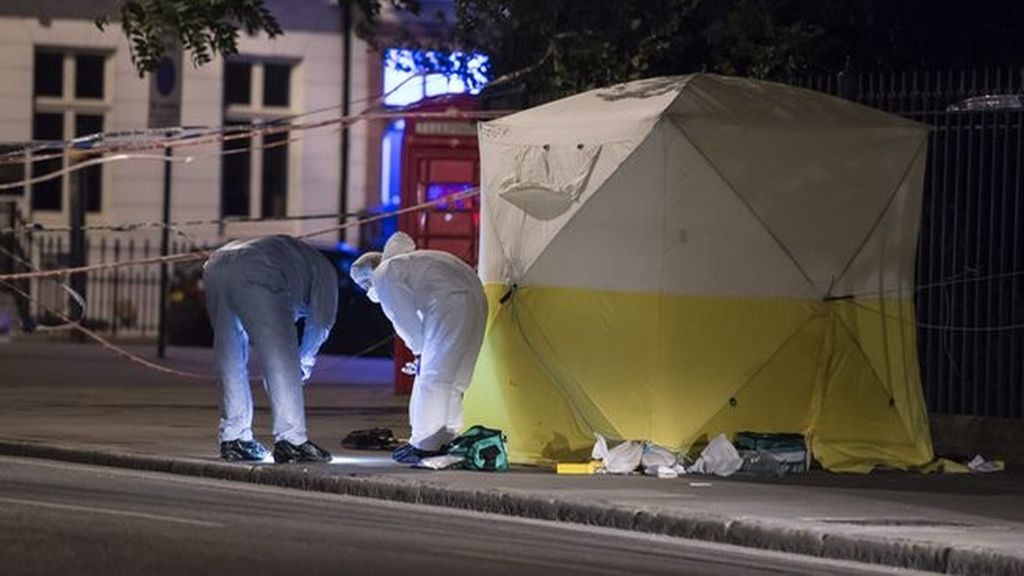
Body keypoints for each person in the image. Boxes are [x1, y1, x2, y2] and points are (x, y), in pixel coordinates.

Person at [350, 232, 487, 463]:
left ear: (369, 275)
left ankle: (425, 445)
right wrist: (424, 352)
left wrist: (420, 351)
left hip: (450, 305)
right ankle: (447, 436)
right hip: (476, 299)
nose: (366, 291)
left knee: (432, 379)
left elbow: (402, 318)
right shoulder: (413, 262)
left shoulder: (385, 273)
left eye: (364, 284)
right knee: (453, 379)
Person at [203, 235, 337, 463]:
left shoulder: (304, 261)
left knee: (229, 356)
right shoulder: (328, 275)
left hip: (216, 265)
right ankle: (292, 440)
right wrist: (304, 361)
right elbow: (321, 323)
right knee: (282, 359)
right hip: (262, 267)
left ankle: (234, 438)